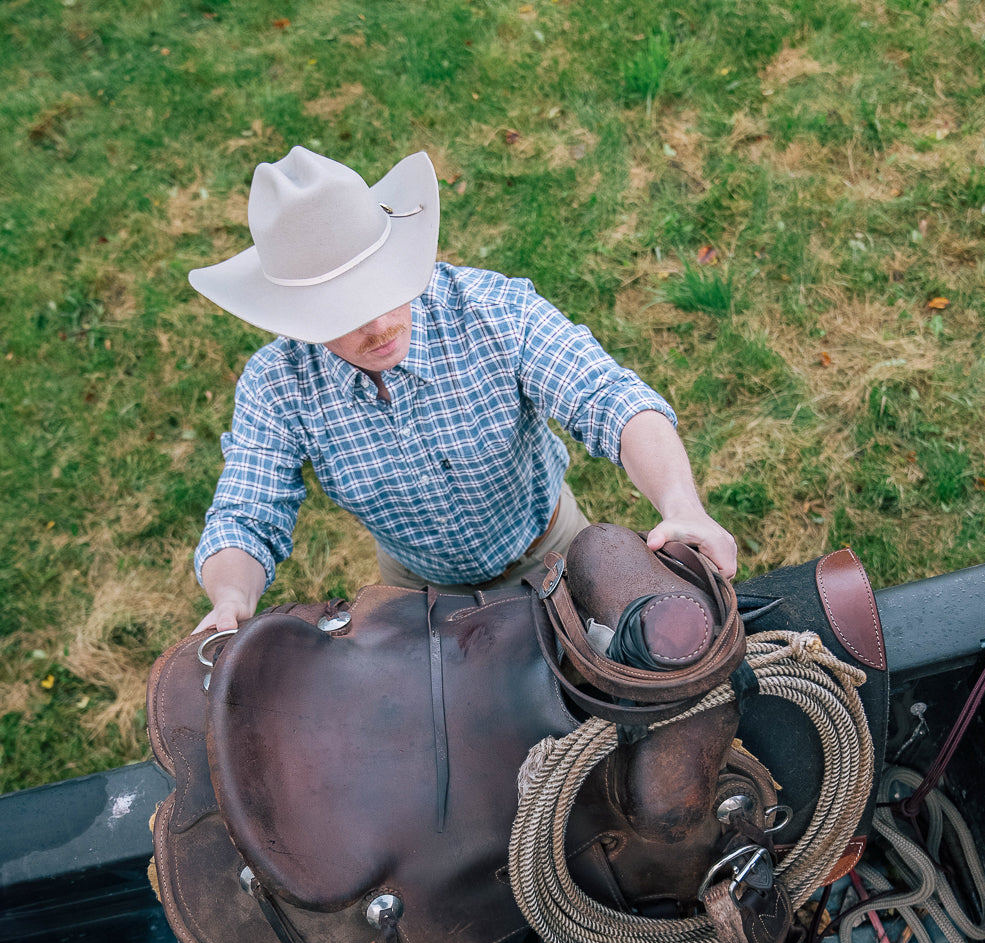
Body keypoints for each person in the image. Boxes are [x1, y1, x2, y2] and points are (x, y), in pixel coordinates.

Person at [189, 147, 736, 633]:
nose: (378, 325)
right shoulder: (275, 385)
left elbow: (609, 398)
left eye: (384, 285)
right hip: (418, 590)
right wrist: (231, 599)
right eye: (341, 313)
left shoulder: (490, 310)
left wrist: (681, 505)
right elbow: (247, 514)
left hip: (551, 547)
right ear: (293, 314)